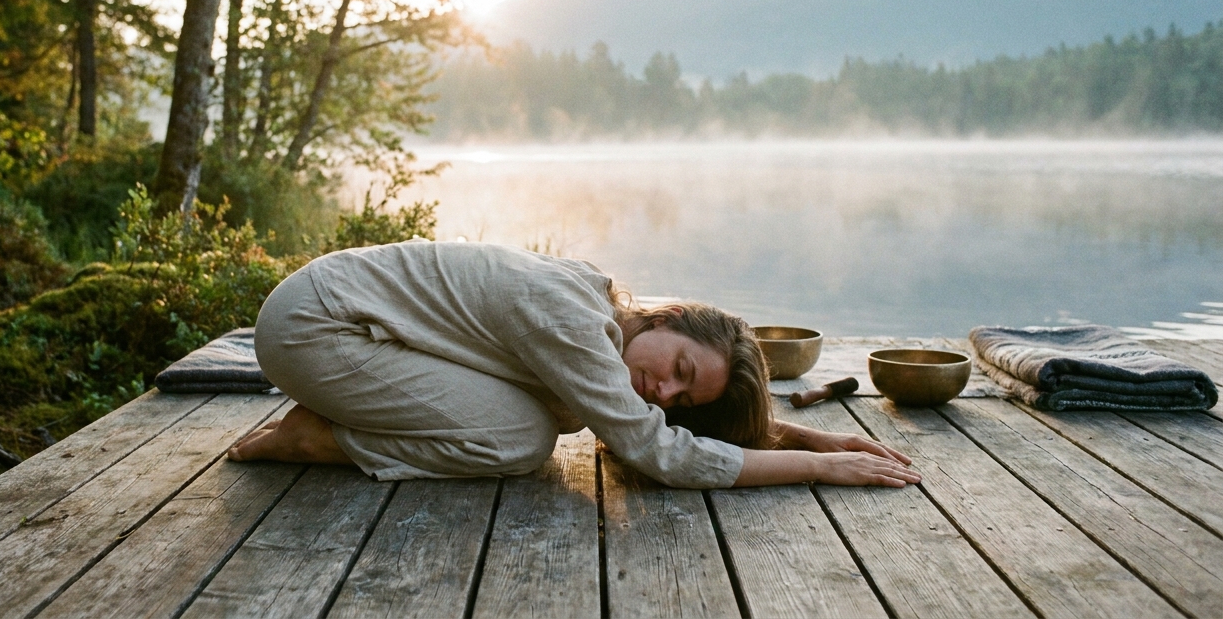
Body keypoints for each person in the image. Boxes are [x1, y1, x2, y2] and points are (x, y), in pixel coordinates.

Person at [228, 240, 919, 489]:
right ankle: (321, 436)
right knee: (517, 440)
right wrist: (820, 467)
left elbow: (663, 435)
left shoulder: (600, 319)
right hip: (315, 328)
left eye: (681, 396)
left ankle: (335, 412)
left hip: (360, 330)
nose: (662, 389)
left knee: (536, 423)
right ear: (668, 316)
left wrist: (807, 433)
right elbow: (658, 455)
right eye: (678, 365)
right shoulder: (572, 320)